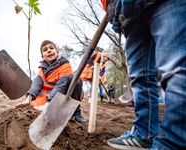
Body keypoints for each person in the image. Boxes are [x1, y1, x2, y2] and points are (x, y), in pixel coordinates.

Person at [101, 0, 186, 149]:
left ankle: (174, 142)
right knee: (140, 78)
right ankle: (144, 133)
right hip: (128, 12)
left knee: (176, 68)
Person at [26, 40, 87, 124]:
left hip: (63, 94)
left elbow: (61, 85)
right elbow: (37, 83)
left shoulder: (65, 65)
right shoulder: (42, 69)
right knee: (35, 84)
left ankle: (76, 112)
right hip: (49, 95)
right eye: (45, 50)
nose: (49, 50)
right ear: (43, 57)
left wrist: (48, 104)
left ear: (57, 52)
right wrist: (29, 97)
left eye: (51, 48)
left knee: (75, 80)